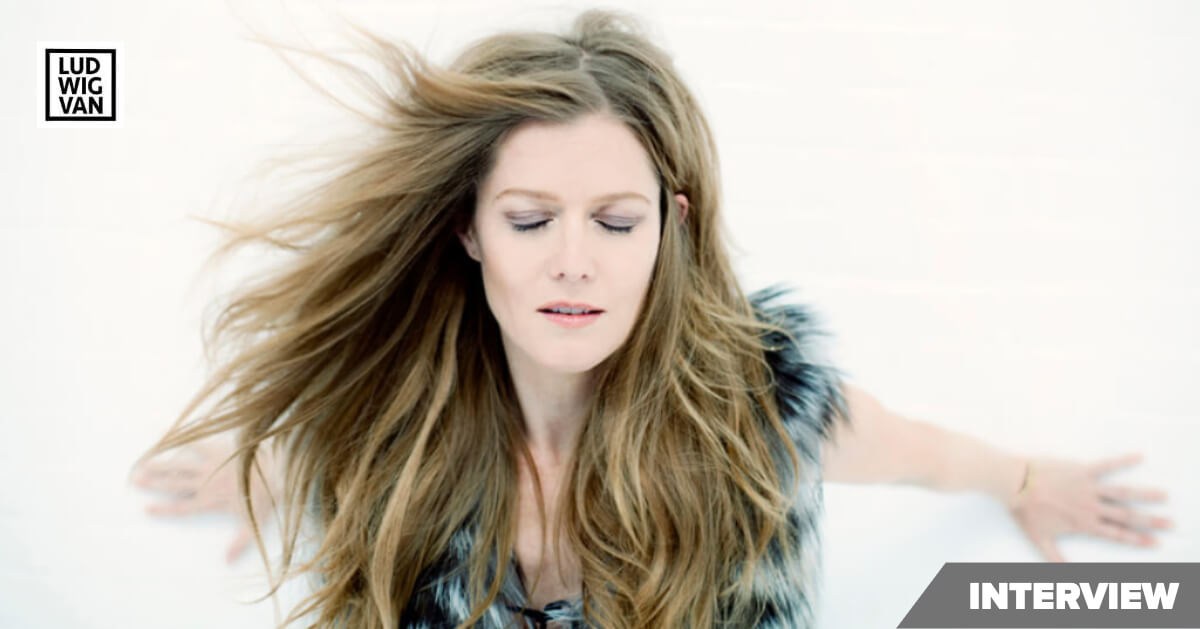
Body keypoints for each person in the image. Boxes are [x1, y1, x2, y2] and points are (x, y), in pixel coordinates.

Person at [129, 9, 1172, 629]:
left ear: (670, 226)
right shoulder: (381, 426)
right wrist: (255, 468)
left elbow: (924, 455)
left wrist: (1029, 481)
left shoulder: (762, 410)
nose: (574, 260)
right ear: (468, 228)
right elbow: (324, 449)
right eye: (530, 219)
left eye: (616, 221)